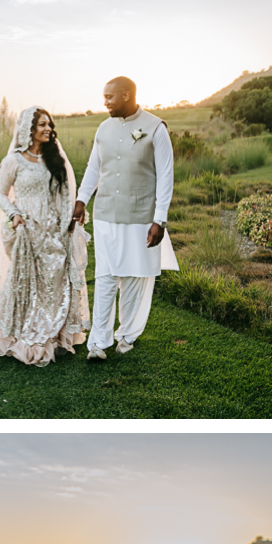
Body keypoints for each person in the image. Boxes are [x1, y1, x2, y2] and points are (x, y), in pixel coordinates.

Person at [0, 107, 91, 366]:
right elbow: (0, 194)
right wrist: (13, 214)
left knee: (54, 282)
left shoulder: (56, 160)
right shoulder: (13, 161)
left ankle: (53, 332)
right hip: (26, 231)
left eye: (49, 124)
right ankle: (26, 329)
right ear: (28, 129)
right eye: (42, 124)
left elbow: (65, 194)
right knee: (26, 282)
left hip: (53, 232)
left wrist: (68, 222)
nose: (48, 129)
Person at [71, 76, 179, 360]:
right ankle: (98, 342)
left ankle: (127, 335)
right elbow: (94, 168)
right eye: (104, 97)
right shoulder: (103, 129)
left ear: (128, 95)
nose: (105, 102)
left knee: (134, 279)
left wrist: (160, 220)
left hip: (141, 218)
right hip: (107, 215)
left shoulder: (156, 128)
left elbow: (166, 176)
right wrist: (82, 199)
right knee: (105, 277)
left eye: (110, 97)